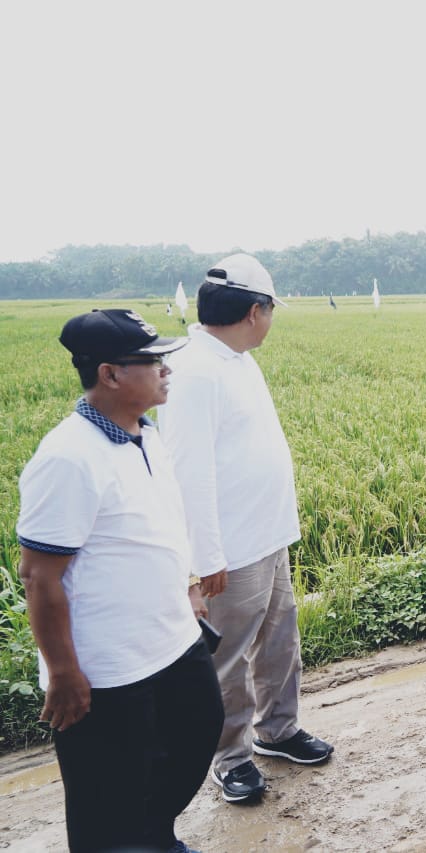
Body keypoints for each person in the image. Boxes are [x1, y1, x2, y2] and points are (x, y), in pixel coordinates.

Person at [17, 309, 222, 852]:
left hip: (173, 639)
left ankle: (154, 837)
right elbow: (39, 576)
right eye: (151, 360)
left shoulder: (144, 436)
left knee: (195, 739)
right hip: (108, 668)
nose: (165, 369)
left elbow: (158, 526)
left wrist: (190, 586)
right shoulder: (67, 458)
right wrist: (63, 671)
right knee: (106, 793)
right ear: (109, 374)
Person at [159, 254, 333, 805]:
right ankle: (229, 757)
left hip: (268, 535)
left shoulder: (235, 358)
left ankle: (278, 731)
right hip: (228, 551)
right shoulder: (193, 369)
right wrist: (203, 557)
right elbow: (188, 469)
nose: (271, 320)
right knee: (227, 659)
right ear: (255, 311)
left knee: (280, 641)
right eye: (271, 310)